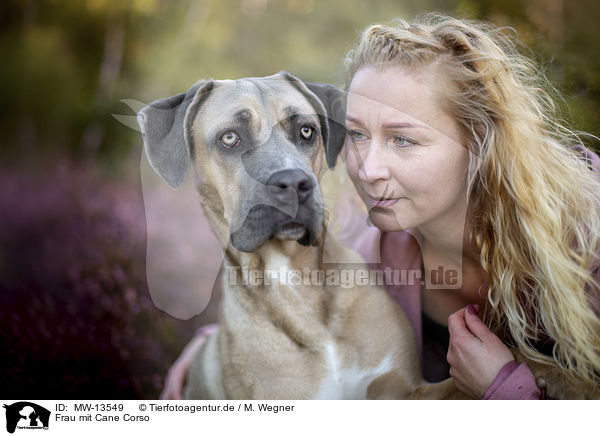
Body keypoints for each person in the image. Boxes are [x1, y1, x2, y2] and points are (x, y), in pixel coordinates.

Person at [160, 13, 600, 400]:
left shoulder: (587, 233)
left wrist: (510, 391)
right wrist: (214, 349)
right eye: (355, 134)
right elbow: (304, 294)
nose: (366, 170)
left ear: (480, 143)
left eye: (402, 139)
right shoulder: (375, 253)